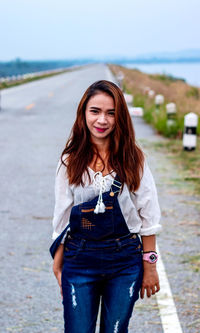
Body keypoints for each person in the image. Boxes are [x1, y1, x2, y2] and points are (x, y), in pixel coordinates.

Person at [50, 80, 162, 333]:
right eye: (95, 111)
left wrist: (150, 265)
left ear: (120, 117)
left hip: (124, 261)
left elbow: (148, 214)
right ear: (83, 114)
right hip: (79, 259)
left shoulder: (133, 158)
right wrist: (58, 263)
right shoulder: (69, 161)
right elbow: (63, 216)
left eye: (111, 113)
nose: (102, 120)